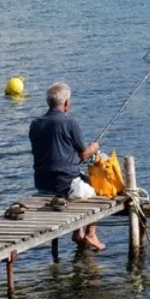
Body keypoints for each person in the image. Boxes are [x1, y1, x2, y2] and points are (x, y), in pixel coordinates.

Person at [29, 82, 105, 251]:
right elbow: (83, 154)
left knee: (77, 177)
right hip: (63, 183)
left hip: (41, 182)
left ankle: (78, 232)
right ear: (66, 103)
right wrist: (94, 147)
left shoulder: (35, 124)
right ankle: (91, 234)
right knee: (100, 189)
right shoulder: (70, 122)